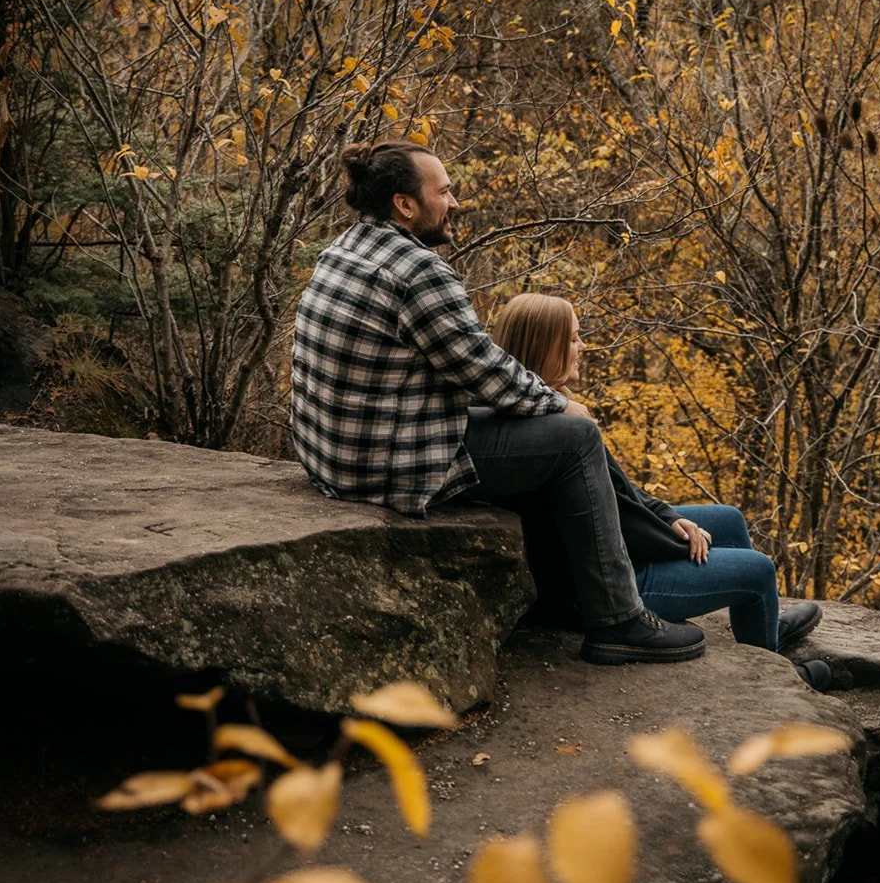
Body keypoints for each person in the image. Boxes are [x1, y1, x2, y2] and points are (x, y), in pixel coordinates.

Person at [290, 139, 705, 666]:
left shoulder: (345, 248)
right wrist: (556, 403)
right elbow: (485, 372)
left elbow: (472, 373)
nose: (455, 201)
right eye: (443, 191)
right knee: (574, 436)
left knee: (542, 422)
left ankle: (613, 552)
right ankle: (618, 620)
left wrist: (538, 404)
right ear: (405, 205)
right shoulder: (418, 271)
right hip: (388, 466)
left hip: (337, 455)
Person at [486, 292, 832, 690]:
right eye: (573, 338)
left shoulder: (550, 410)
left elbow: (619, 491)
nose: (583, 346)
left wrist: (669, 517)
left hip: (615, 548)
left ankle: (763, 630)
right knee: (759, 572)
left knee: (729, 519)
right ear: (544, 346)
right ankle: (777, 682)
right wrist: (674, 539)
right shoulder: (546, 433)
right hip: (607, 584)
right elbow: (613, 520)